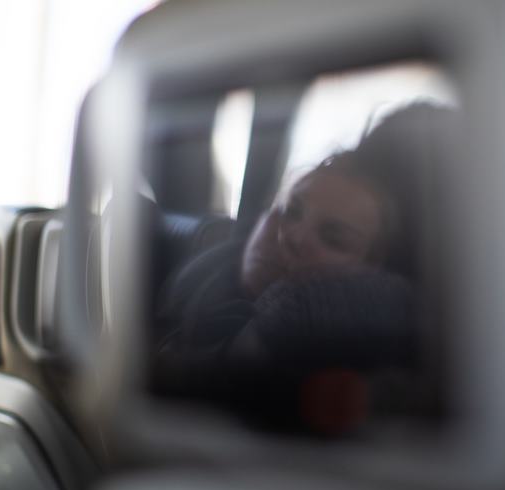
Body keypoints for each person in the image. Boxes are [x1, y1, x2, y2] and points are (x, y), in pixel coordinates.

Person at [151, 150, 414, 433]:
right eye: (291, 210)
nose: (292, 237)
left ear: (370, 275)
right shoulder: (190, 283)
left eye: (333, 238)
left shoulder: (335, 379)